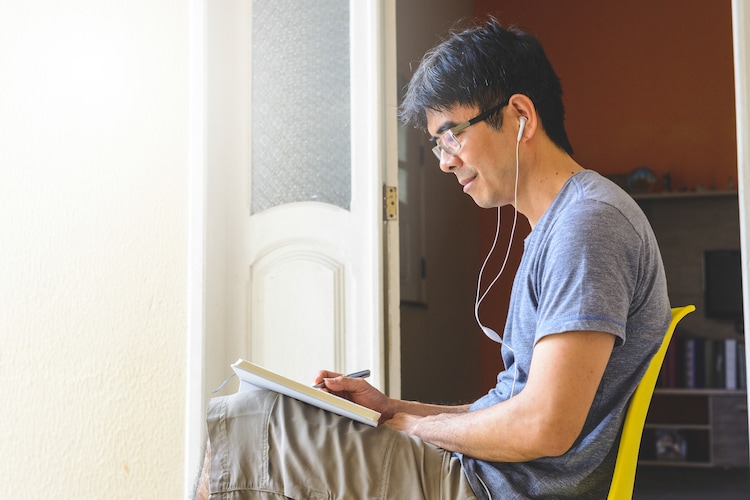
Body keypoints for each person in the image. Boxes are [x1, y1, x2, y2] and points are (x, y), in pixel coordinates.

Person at [195, 17, 670, 500]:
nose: (444, 160)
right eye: (437, 144)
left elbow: (542, 427)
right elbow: (512, 407)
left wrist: (409, 426)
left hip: (494, 487)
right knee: (259, 415)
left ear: (520, 115)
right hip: (487, 472)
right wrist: (389, 409)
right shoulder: (563, 224)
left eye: (452, 134)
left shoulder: (587, 224)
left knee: (247, 421)